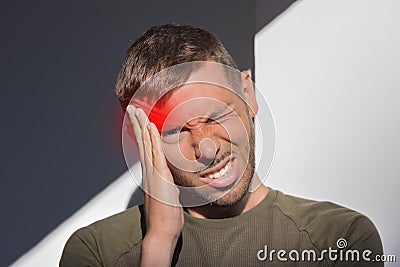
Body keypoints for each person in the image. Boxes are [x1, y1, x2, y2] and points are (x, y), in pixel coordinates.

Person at [60, 24, 383, 266]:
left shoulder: (338, 236)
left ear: (248, 94)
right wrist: (159, 242)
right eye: (175, 132)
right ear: (139, 137)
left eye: (216, 115)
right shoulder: (98, 251)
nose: (206, 148)